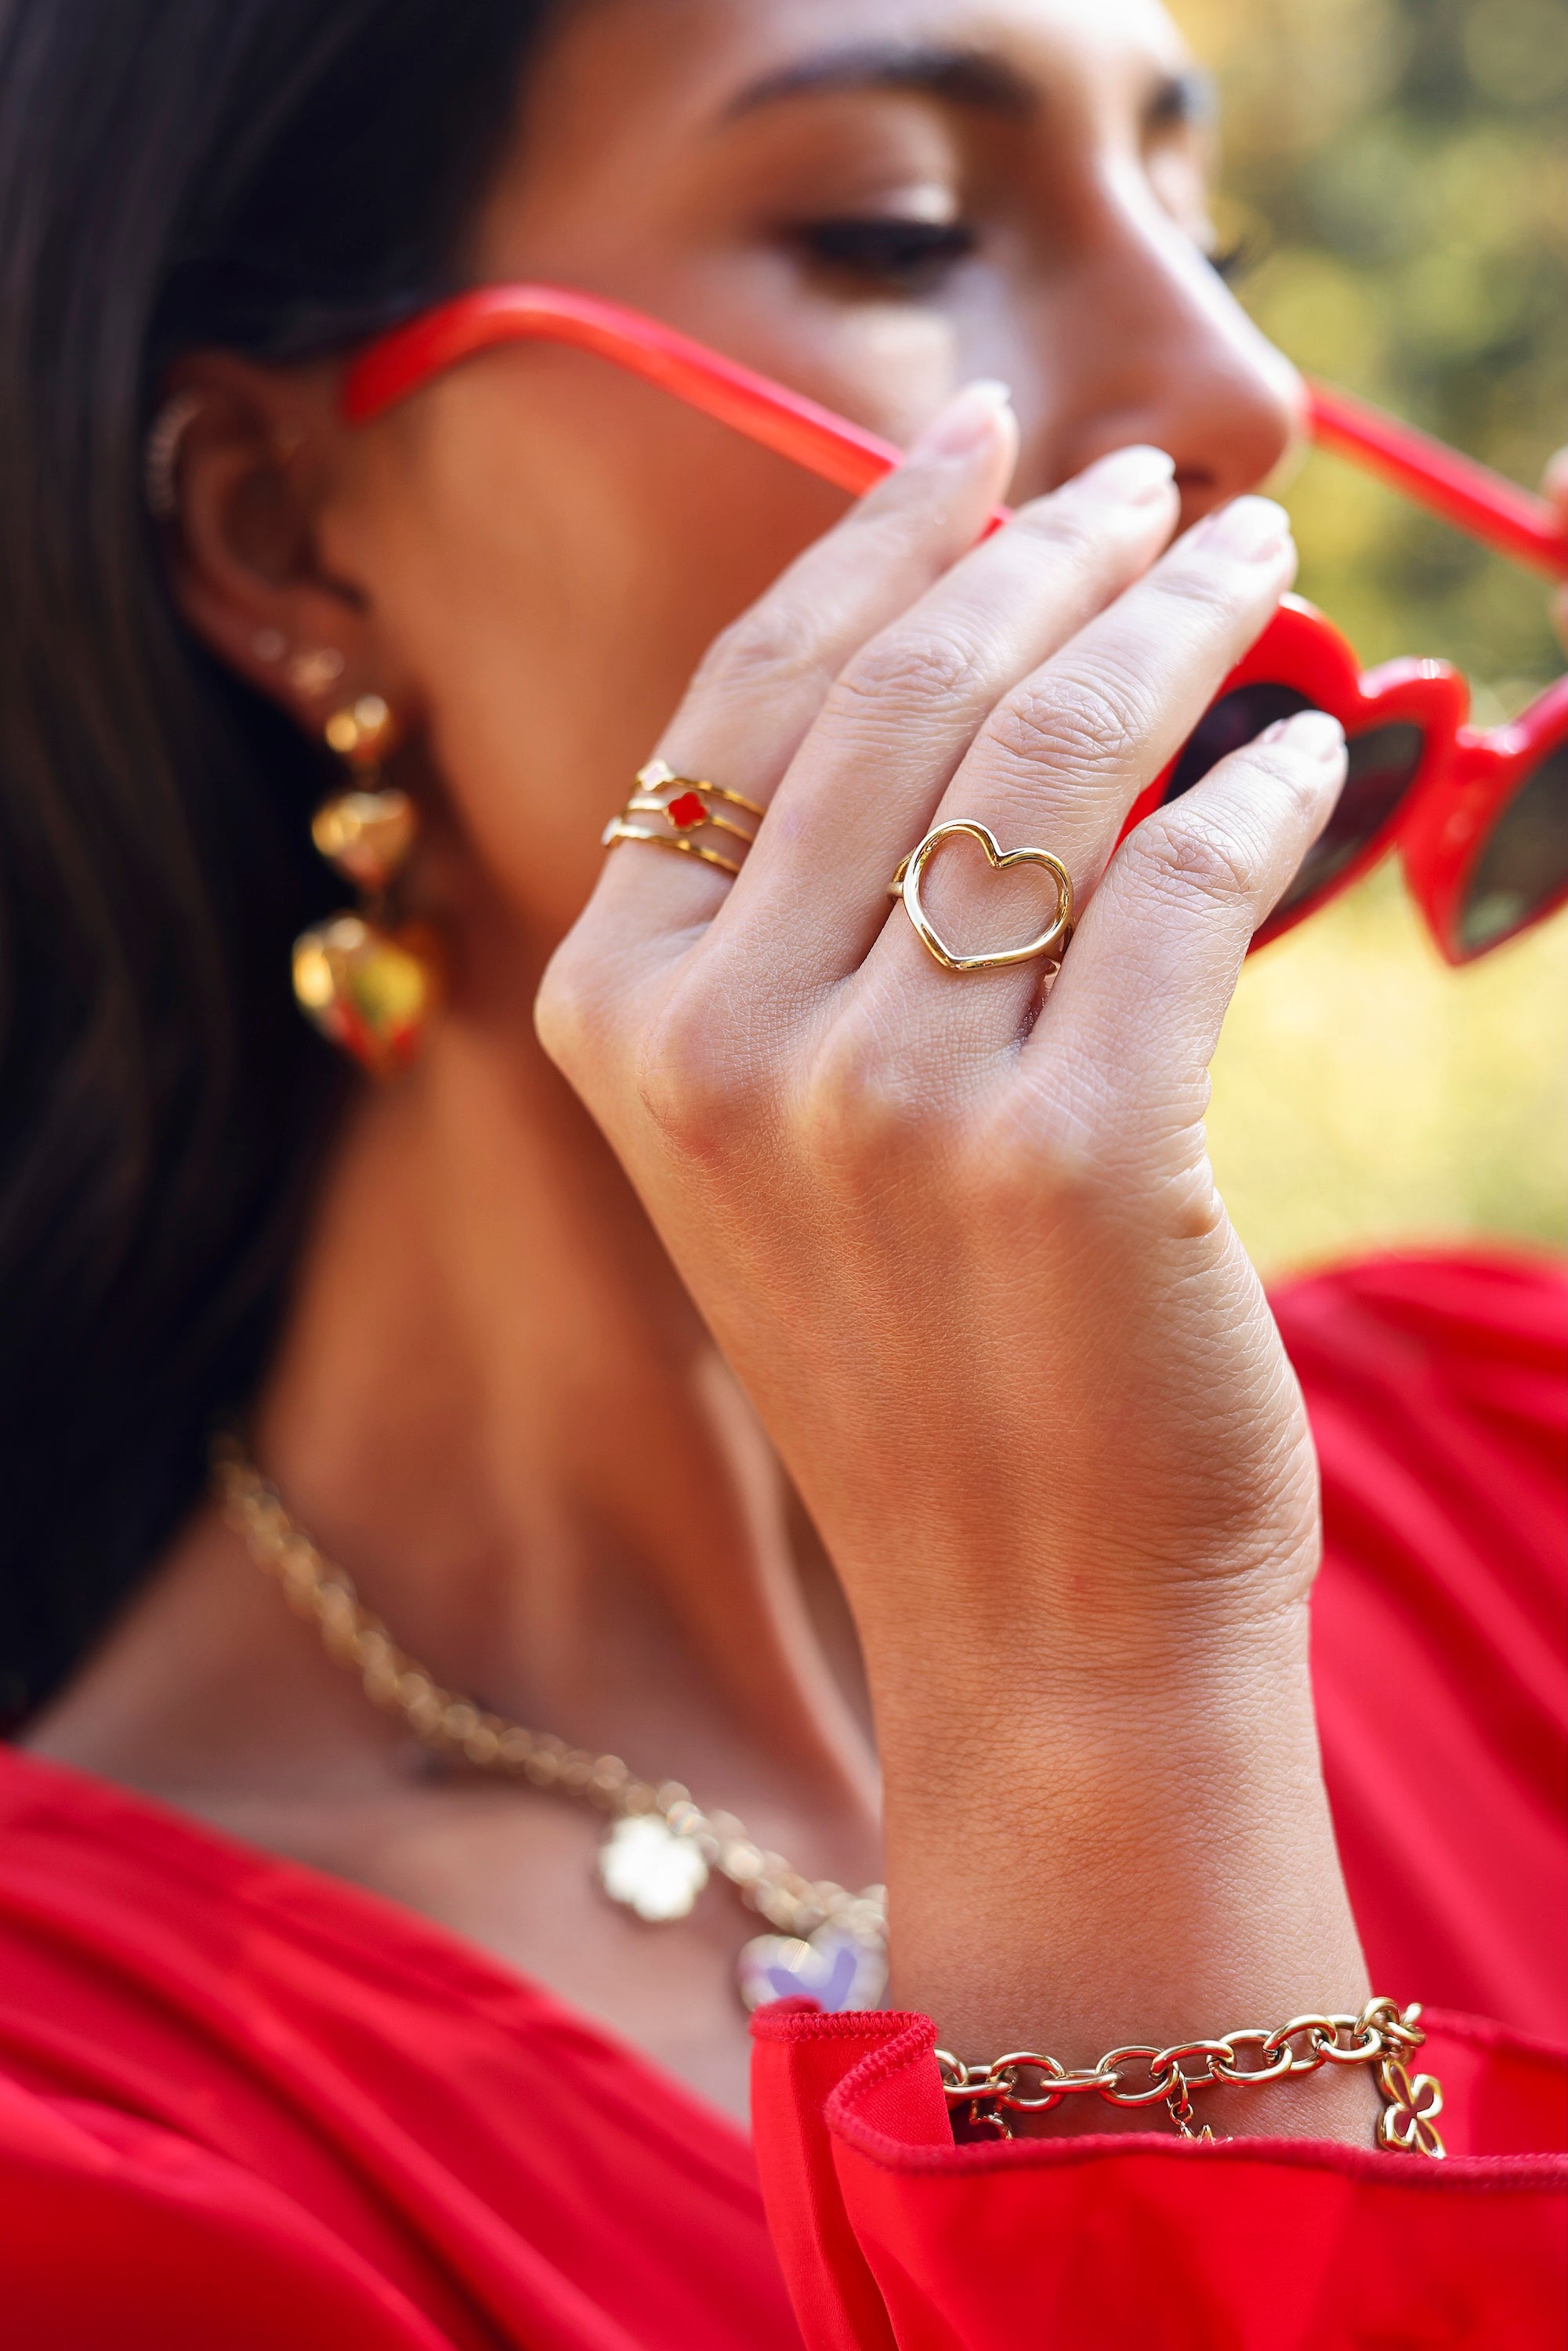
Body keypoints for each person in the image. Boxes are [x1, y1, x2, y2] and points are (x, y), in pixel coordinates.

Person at [0, 0, 1561, 2342]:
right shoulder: (90, 2153)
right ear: (280, 530)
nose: (1236, 390)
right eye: (891, 226)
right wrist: (1086, 1702)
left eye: (1202, 217)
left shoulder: (1510, 1477)